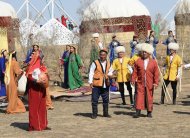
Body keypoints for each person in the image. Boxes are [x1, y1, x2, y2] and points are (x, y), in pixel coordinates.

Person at [131, 43, 159, 118]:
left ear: (149, 53)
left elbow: (156, 73)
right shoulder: (138, 61)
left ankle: (149, 112)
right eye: (143, 52)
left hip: (150, 83)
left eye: (145, 52)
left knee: (149, 97)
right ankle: (138, 111)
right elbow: (135, 71)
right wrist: (133, 79)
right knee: (139, 97)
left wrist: (156, 83)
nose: (144, 53)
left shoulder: (153, 62)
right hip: (140, 82)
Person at [27, 44, 50, 131]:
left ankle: (43, 125)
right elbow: (29, 77)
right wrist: (36, 81)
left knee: (42, 108)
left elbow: (47, 76)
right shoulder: (31, 67)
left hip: (42, 89)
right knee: (34, 107)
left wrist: (46, 78)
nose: (42, 59)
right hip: (34, 90)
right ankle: (34, 125)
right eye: (41, 58)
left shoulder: (42, 67)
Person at [89, 49, 112, 119]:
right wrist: (90, 82)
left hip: (106, 84)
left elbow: (111, 71)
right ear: (99, 55)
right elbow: (91, 72)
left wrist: (109, 75)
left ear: (106, 55)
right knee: (94, 100)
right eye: (101, 55)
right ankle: (94, 114)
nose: (102, 56)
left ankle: (105, 113)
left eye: (104, 55)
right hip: (96, 84)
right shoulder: (95, 62)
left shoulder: (109, 63)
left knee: (106, 100)